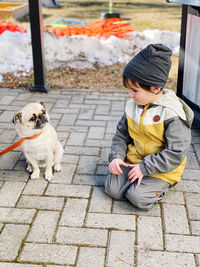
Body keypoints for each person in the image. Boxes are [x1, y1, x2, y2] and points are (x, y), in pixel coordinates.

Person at [104, 43, 194, 211]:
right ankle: (137, 179)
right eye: (128, 90)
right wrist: (116, 157)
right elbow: (122, 134)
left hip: (162, 168)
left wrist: (145, 168)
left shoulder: (172, 113)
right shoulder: (133, 104)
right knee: (112, 189)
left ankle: (159, 188)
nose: (129, 95)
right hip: (135, 159)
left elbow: (176, 152)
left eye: (134, 90)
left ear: (155, 88)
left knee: (136, 197)